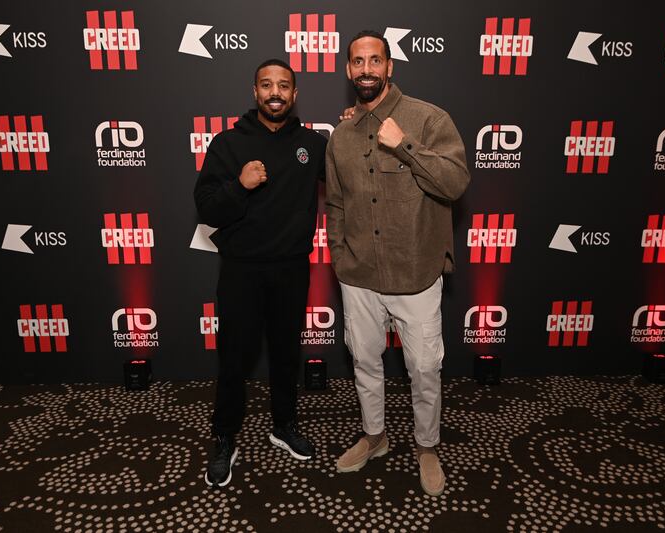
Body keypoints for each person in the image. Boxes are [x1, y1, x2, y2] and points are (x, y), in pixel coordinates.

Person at [325, 31, 470, 496]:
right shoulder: (341, 136)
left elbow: (454, 183)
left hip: (416, 272)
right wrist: (340, 257)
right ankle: (375, 436)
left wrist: (404, 144)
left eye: (376, 60)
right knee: (365, 362)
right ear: (348, 70)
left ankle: (427, 446)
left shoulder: (428, 120)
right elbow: (336, 205)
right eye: (358, 62)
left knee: (424, 368)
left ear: (390, 67)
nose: (366, 69)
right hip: (359, 275)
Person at [194, 58, 326, 488]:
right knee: (235, 358)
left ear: (294, 93)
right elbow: (207, 208)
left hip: (291, 267)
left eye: (283, 86)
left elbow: (354, 173)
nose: (275, 93)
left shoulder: (312, 143)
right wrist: (239, 185)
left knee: (287, 354)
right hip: (241, 270)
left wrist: (358, 121)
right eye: (267, 85)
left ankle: (283, 425)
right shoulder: (228, 143)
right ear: (255, 92)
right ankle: (224, 437)